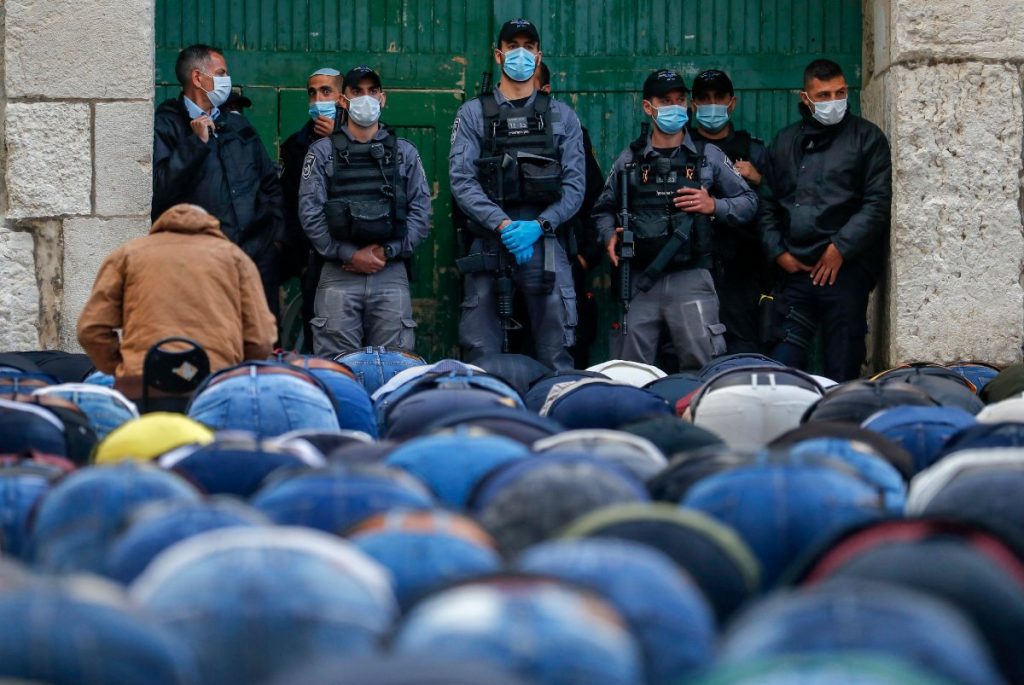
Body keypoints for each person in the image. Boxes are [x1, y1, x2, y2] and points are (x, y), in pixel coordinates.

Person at [592, 69, 758, 370]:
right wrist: (609, 236)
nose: (674, 107)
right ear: (648, 107)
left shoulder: (709, 156)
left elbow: (749, 202)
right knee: (630, 370)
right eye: (665, 101)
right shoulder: (629, 160)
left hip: (692, 276)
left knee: (702, 367)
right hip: (641, 280)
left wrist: (713, 206)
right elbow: (603, 208)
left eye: (680, 100)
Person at [450, 18, 585, 371]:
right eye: (512, 47)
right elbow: (462, 180)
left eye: (528, 46)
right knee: (481, 353)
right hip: (491, 240)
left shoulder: (562, 116)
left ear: (538, 56)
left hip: (545, 243)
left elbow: (575, 188)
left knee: (557, 351)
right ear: (499, 55)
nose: (520, 54)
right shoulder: (472, 113)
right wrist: (504, 225)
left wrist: (539, 225)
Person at [760, 59, 892, 382]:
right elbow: (766, 205)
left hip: (845, 272)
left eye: (840, 92)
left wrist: (840, 249)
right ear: (806, 98)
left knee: (843, 367)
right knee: (782, 368)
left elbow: (877, 204)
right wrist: (779, 253)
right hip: (796, 272)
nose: (833, 101)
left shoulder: (868, 139)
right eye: (823, 95)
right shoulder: (784, 142)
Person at [298, 66, 431, 356]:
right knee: (339, 370)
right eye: (357, 92)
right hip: (338, 272)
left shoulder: (405, 153)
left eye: (372, 92)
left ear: (383, 99)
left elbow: (421, 213)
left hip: (390, 271)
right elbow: (310, 214)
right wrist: (349, 254)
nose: (365, 98)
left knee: (395, 370)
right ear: (343, 101)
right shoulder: (321, 152)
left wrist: (388, 252)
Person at [152, 45, 285, 320]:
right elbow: (161, 188)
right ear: (198, 78)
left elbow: (269, 183)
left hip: (254, 261)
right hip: (197, 265)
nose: (227, 79)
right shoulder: (166, 124)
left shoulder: (237, 125)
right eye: (221, 73)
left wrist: (273, 241)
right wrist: (195, 144)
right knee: (205, 349)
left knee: (258, 351)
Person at [76, 203, 276, 385]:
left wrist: (123, 369)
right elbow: (261, 338)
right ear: (211, 227)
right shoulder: (235, 258)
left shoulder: (128, 254)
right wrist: (232, 372)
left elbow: (91, 328)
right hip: (214, 381)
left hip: (143, 382)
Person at [688, 69, 770, 354]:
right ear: (693, 104)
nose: (712, 104)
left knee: (743, 349)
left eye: (719, 97)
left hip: (742, 268)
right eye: (704, 98)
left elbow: (780, 204)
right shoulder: (680, 147)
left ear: (731, 103)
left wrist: (759, 179)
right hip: (692, 264)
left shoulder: (754, 151)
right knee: (691, 348)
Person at [534, 61, 605, 368]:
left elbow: (596, 201)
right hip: (506, 267)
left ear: (546, 91)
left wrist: (584, 259)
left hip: (562, 261)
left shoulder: (570, 131)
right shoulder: (486, 126)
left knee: (564, 357)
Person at [280, 68, 346, 352]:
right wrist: (300, 260)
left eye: (326, 91)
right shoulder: (295, 146)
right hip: (315, 261)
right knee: (318, 339)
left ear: (342, 98)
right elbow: (289, 205)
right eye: (312, 93)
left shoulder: (371, 138)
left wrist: (340, 140)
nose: (318, 99)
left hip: (360, 257)